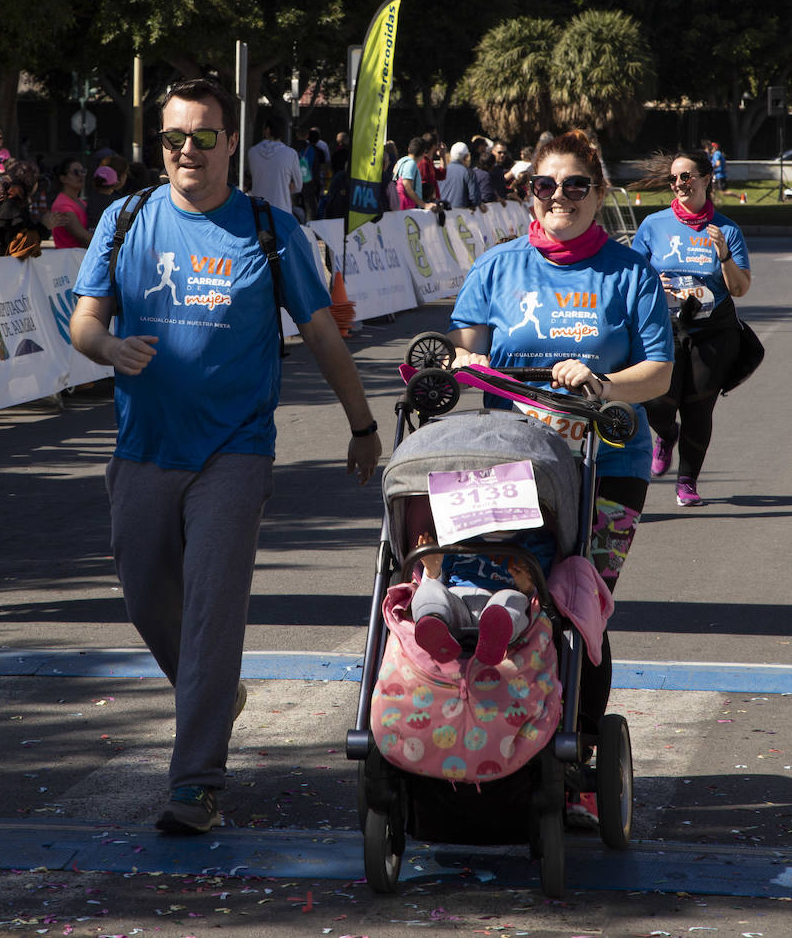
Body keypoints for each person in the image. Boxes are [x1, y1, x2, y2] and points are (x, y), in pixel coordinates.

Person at [69, 78, 382, 836]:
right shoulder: (127, 216)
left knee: (211, 613)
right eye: (174, 137)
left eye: (203, 136)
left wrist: (363, 425)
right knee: (147, 597)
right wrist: (108, 346)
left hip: (234, 454)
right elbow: (84, 321)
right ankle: (212, 693)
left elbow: (320, 334)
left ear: (230, 143)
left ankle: (196, 783)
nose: (187, 150)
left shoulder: (268, 230)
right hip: (144, 448)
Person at [446, 129, 673, 816]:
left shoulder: (630, 273)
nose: (560, 198)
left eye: (577, 185)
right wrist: (459, 369)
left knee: (580, 609)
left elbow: (658, 374)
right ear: (529, 192)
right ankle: (492, 745)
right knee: (499, 594)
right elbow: (466, 355)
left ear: (599, 193)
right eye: (546, 185)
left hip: (609, 464)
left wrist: (602, 383)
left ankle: (578, 760)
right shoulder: (498, 267)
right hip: (511, 464)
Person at [632, 149, 751, 507]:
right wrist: (657, 284)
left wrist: (724, 254)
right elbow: (634, 275)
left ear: (706, 179)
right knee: (657, 402)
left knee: (699, 405)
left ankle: (687, 481)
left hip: (712, 332)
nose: (680, 183)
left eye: (687, 176)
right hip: (665, 327)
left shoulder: (726, 229)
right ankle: (666, 435)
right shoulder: (654, 224)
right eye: (674, 178)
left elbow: (740, 288)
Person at [411, 533, 533, 666]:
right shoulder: (452, 535)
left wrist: (526, 587)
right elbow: (438, 584)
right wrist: (432, 570)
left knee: (514, 601)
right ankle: (433, 624)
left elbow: (542, 592)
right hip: (455, 599)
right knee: (429, 589)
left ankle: (495, 639)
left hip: (500, 600)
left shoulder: (533, 542)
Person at [0, 162, 63, 256]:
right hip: (1, 263)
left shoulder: (15, 202)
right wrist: (44, 226)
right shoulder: (13, 204)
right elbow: (18, 246)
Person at [246, 114, 302, 212]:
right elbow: (298, 186)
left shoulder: (252, 152)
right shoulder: (291, 154)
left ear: (267, 130)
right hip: (282, 210)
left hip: (258, 211)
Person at [51, 158, 92, 248]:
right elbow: (84, 236)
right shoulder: (62, 206)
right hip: (71, 260)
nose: (81, 175)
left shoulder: (81, 202)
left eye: (83, 171)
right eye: (76, 172)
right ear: (63, 178)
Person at [392, 137, 436, 212]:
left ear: (409, 149)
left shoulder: (401, 161)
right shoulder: (411, 163)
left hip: (401, 207)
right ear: (423, 153)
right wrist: (424, 205)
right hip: (409, 210)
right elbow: (407, 185)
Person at [437, 141, 480, 210]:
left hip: (442, 213)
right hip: (460, 216)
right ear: (466, 157)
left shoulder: (441, 171)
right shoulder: (468, 173)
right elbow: (474, 199)